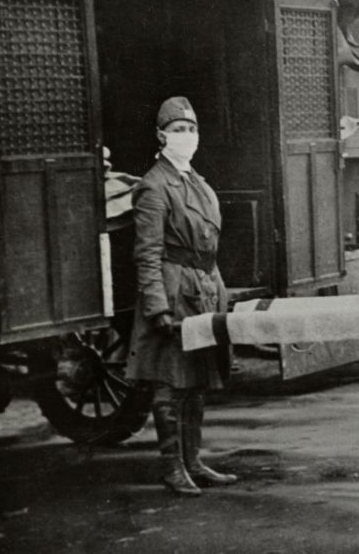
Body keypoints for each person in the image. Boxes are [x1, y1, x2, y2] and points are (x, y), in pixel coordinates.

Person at [126, 96, 236, 496]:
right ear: (161, 136)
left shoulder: (199, 183)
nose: (186, 137)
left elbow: (209, 247)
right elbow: (147, 254)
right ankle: (173, 468)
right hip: (173, 291)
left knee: (197, 381)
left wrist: (219, 294)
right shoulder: (154, 186)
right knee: (170, 384)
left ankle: (194, 462)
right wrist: (157, 307)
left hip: (202, 288)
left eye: (190, 129)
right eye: (177, 130)